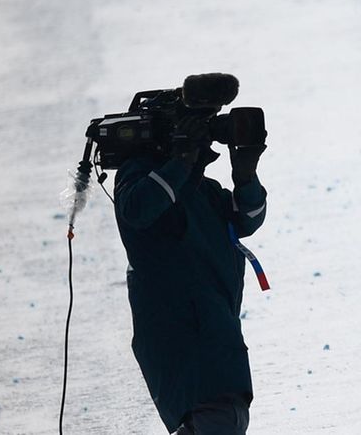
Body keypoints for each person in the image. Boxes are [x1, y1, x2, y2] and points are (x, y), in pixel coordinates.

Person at [113, 76, 268, 434]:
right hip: (189, 352)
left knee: (223, 417)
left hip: (220, 354)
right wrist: (181, 161)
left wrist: (246, 175)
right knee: (215, 417)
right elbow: (138, 208)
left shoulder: (204, 191)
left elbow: (247, 220)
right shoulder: (138, 178)